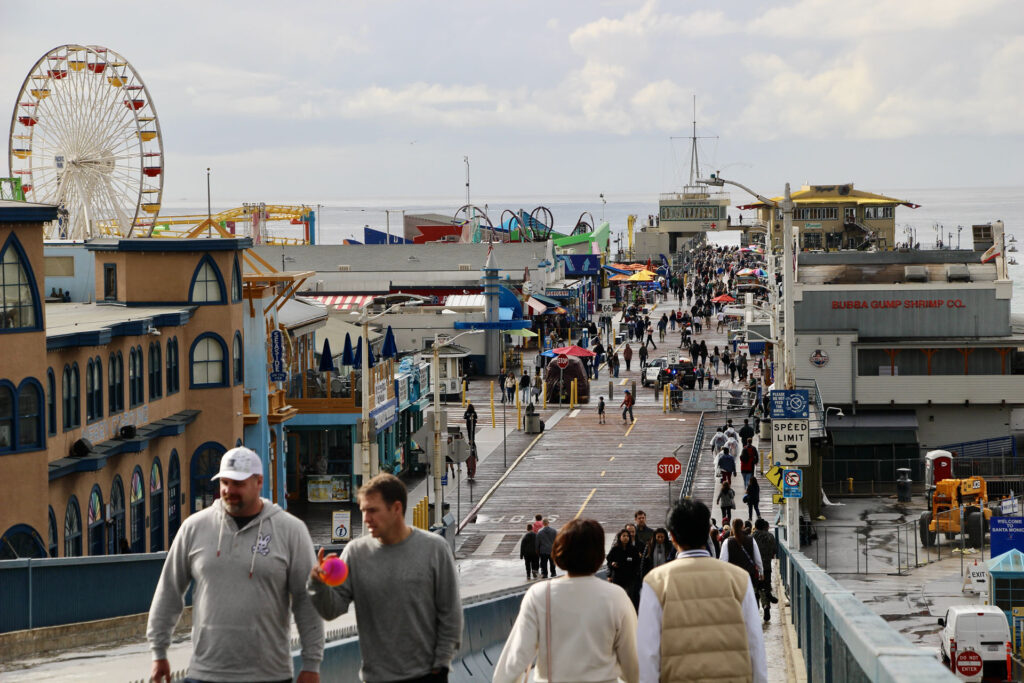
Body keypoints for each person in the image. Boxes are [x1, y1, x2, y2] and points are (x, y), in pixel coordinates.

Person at [147, 447, 324, 683]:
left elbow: (306, 600)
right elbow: (169, 590)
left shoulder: (291, 530)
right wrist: (159, 652)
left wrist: (311, 664)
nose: (229, 490)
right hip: (205, 674)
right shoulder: (194, 527)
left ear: (259, 481)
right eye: (225, 482)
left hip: (269, 676)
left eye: (238, 484)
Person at [307, 473, 461, 682]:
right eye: (363, 511)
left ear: (396, 508)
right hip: (375, 678)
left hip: (426, 675)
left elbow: (450, 613)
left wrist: (440, 665)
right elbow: (332, 609)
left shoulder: (435, 549)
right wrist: (317, 583)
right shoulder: (355, 553)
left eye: (372, 510)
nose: (365, 518)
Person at [493, 519, 639, 683]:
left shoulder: (540, 595)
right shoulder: (616, 597)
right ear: (599, 555)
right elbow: (632, 664)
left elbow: (513, 662)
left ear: (559, 552)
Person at [638, 500, 767, 683]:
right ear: (707, 531)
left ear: (672, 537)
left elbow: (648, 655)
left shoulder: (655, 582)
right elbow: (755, 644)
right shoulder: (739, 579)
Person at [719, 518, 764, 611]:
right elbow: (757, 558)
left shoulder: (727, 542)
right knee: (748, 597)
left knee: (735, 598)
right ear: (743, 526)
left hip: (733, 575)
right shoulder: (751, 540)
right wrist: (761, 572)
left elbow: (723, 560)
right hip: (748, 575)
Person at [752, 518, 780, 621]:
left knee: (756, 589)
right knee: (765, 587)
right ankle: (766, 606)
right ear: (764, 526)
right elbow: (775, 550)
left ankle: (755, 610)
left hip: (755, 568)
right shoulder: (770, 536)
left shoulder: (752, 537)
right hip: (767, 567)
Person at [606, 528, 642, 609]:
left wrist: (635, 573)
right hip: (618, 577)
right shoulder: (615, 549)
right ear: (620, 537)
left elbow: (637, 563)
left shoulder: (633, 549)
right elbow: (609, 560)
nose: (626, 537)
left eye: (627, 536)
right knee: (617, 597)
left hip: (630, 578)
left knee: (630, 598)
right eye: (624, 536)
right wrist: (612, 564)